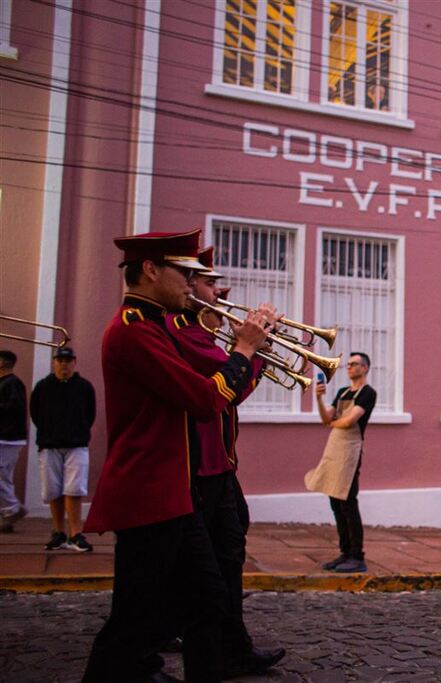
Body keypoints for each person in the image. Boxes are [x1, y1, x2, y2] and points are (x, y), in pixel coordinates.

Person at [82, 229, 269, 683]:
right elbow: (205, 399)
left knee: (203, 598)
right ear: (150, 270)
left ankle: (153, 668)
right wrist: (244, 348)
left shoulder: (152, 326)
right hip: (148, 490)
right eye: (183, 273)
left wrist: (248, 352)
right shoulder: (133, 332)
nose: (190, 283)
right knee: (138, 613)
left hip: (172, 490)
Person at [167, 246, 286, 677]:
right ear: (188, 285)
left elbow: (236, 392)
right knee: (205, 574)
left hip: (220, 466)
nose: (220, 292)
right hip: (196, 470)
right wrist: (248, 345)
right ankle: (190, 645)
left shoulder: (206, 335)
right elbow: (224, 389)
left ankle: (233, 648)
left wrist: (255, 348)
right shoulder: (182, 332)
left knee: (228, 559)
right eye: (211, 283)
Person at [310, 351, 377, 573]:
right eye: (348, 365)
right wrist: (319, 398)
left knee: (348, 501)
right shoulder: (341, 392)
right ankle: (344, 552)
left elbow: (349, 420)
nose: (349, 368)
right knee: (335, 502)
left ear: (365, 368)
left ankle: (357, 556)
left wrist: (333, 422)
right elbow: (325, 418)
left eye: (354, 364)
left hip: (350, 451)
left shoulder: (368, 393)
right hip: (334, 449)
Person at [29, 346, 96, 551]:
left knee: (74, 488)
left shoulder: (84, 387)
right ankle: (58, 531)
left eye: (67, 361)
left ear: (74, 362)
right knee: (53, 489)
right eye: (60, 360)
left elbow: (89, 413)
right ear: (54, 362)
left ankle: (76, 533)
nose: (63, 364)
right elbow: (36, 413)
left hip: (76, 444)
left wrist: (79, 431)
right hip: (50, 444)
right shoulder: (43, 386)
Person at [0, 349, 28, 532]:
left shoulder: (12, 383)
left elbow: (14, 407)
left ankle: (12, 509)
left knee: (1, 475)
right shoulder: (7, 383)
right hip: (7, 436)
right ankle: (8, 514)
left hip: (8, 437)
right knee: (4, 477)